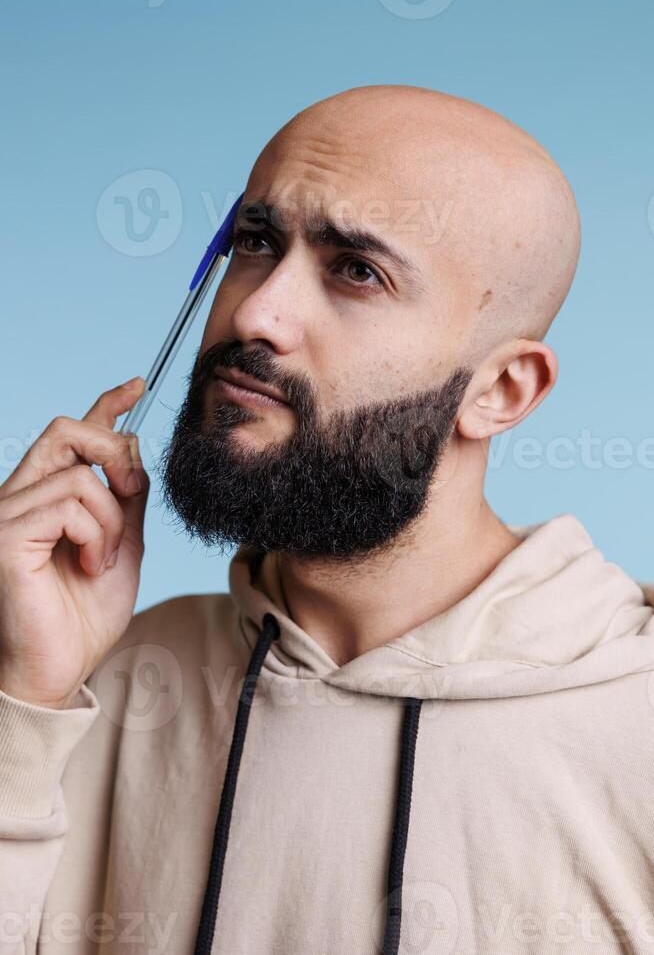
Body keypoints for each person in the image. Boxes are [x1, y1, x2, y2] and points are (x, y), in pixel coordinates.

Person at [1, 84, 653, 955]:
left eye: (357, 270)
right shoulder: (98, 684)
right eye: (255, 243)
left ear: (500, 391)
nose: (256, 313)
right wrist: (24, 698)